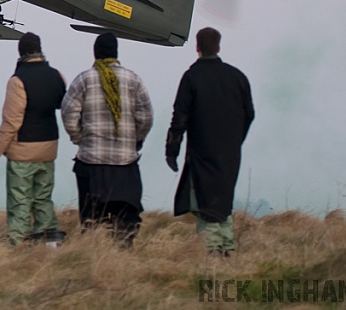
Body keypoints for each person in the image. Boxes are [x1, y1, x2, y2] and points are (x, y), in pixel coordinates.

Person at [166, 27, 254, 256]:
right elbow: (249, 113)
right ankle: (226, 246)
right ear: (219, 47)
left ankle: (212, 249)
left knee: (206, 198)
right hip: (230, 151)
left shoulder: (191, 77)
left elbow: (179, 118)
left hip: (201, 150)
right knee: (223, 197)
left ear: (197, 47)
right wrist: (236, 139)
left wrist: (172, 150)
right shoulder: (237, 77)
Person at [62, 32, 152, 246]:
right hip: (125, 164)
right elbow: (145, 117)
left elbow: (69, 114)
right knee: (125, 220)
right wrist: (135, 140)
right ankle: (123, 251)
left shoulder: (83, 80)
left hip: (91, 164)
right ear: (116, 53)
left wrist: (80, 139)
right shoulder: (133, 80)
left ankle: (95, 251)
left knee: (92, 221)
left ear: (95, 53)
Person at [0, 32, 67, 247]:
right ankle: (49, 241)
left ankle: (17, 243)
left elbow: (11, 123)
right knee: (43, 198)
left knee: (20, 201)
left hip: (23, 149)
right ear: (39, 49)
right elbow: (63, 106)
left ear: (20, 52)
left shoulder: (18, 81)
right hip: (49, 146)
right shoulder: (56, 76)